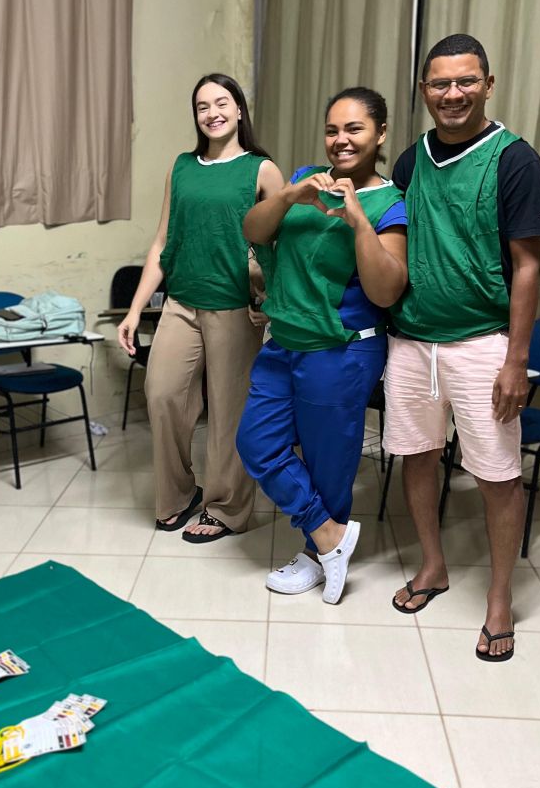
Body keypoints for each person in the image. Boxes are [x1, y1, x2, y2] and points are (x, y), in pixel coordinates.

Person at [384, 33, 540, 661]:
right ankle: (433, 566)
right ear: (424, 90)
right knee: (417, 457)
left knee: (497, 476)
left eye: (465, 81)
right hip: (411, 341)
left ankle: (500, 599)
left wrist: (516, 361)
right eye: (440, 83)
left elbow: (528, 267)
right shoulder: (410, 162)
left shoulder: (515, 161)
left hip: (483, 344)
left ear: (487, 85)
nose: (452, 93)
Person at [237, 87, 408, 604]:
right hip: (284, 341)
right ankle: (330, 535)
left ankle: (317, 556)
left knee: (328, 460)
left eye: (354, 129)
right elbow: (253, 230)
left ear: (380, 133)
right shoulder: (305, 179)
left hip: (342, 351)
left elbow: (386, 291)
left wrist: (359, 223)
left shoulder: (391, 204)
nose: (341, 140)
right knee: (257, 443)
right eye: (333, 130)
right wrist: (288, 197)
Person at [117, 74, 284, 542]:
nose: (213, 113)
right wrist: (135, 310)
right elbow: (162, 241)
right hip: (181, 303)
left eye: (222, 102)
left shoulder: (262, 170)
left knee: (229, 413)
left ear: (239, 109)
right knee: (162, 394)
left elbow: (283, 244)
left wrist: (272, 301)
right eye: (202, 106)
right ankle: (178, 493)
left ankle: (227, 508)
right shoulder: (182, 167)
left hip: (234, 309)